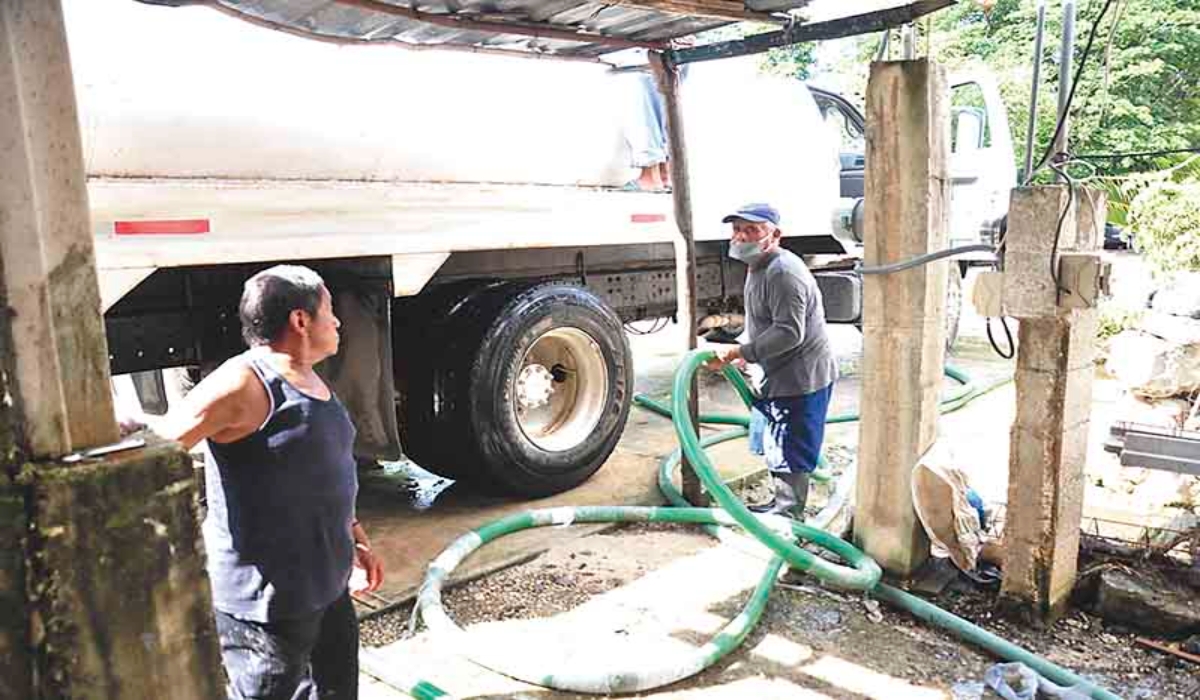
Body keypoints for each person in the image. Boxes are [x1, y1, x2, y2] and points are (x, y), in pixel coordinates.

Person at [160, 264, 384, 699]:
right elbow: (164, 447)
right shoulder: (243, 382)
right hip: (266, 604)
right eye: (329, 311)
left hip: (326, 587)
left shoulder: (310, 376)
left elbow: (322, 467)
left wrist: (355, 538)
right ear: (300, 320)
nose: (337, 321)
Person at [706, 203, 838, 520]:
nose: (741, 237)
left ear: (774, 235)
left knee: (790, 449)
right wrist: (748, 357)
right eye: (737, 229)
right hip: (778, 373)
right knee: (776, 443)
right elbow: (764, 324)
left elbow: (789, 333)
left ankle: (789, 519)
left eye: (751, 230)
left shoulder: (783, 272)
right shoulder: (759, 267)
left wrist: (740, 352)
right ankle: (780, 506)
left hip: (799, 378)